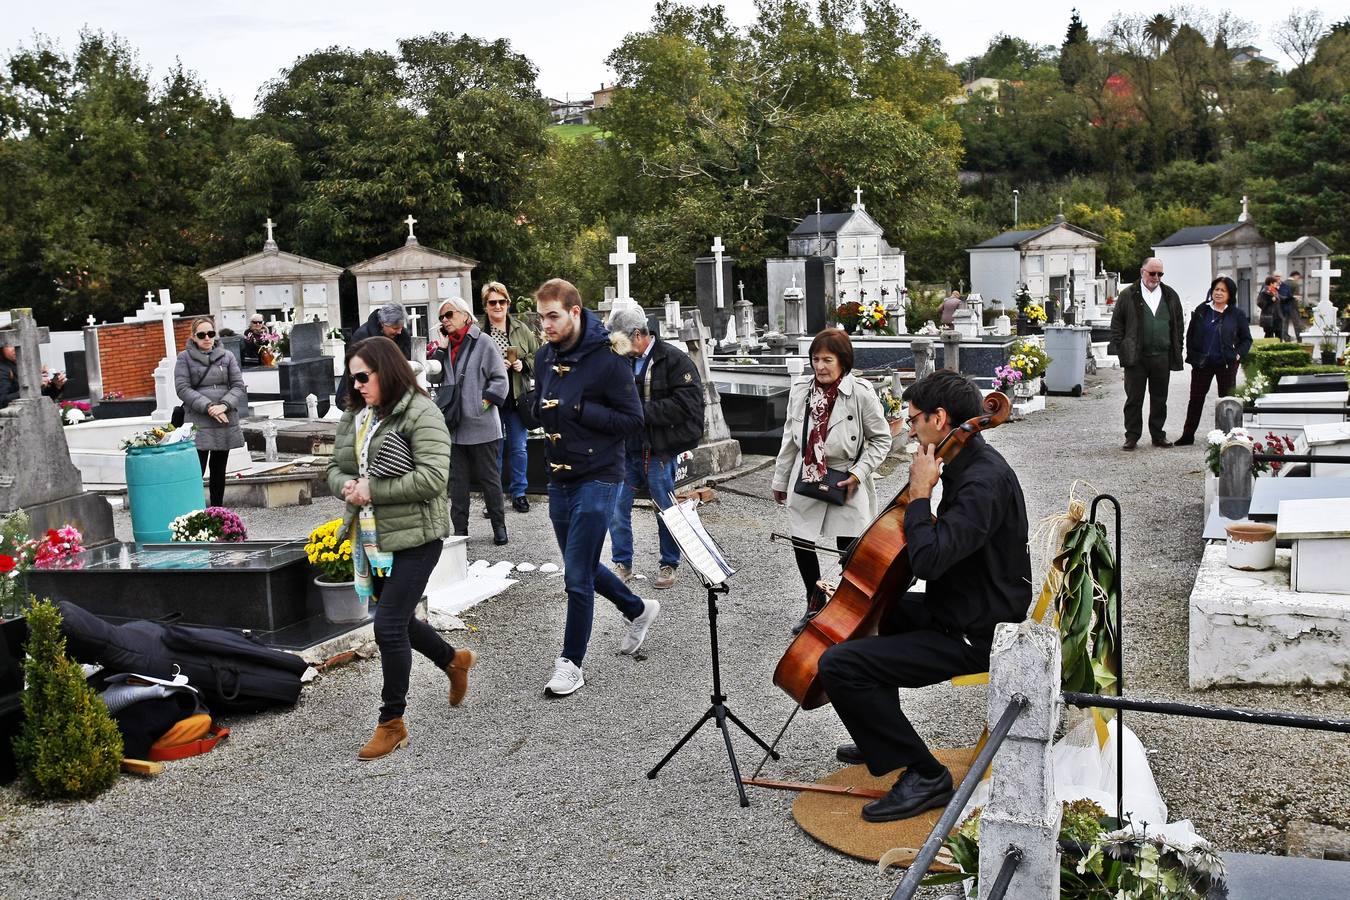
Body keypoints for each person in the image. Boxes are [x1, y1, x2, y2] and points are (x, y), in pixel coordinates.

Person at [817, 370, 1031, 823]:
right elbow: (939, 554)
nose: (909, 429)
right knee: (876, 612)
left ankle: (925, 775)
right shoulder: (963, 464)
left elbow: (931, 561)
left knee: (839, 664)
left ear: (940, 417)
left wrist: (918, 496)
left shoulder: (980, 482)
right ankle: (882, 732)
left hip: (978, 632)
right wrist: (866, 582)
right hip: (962, 606)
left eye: (914, 419)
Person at [326, 336, 476, 760]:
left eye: (362, 376)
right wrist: (350, 488)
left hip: (416, 537)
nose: (355, 386)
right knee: (397, 619)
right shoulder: (357, 415)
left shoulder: (420, 411)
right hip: (371, 539)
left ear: (386, 372)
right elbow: (334, 470)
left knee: (387, 625)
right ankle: (453, 660)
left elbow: (433, 479)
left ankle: (392, 723)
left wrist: (374, 490)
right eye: (351, 377)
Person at [530, 278, 658, 697]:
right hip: (559, 475)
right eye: (540, 316)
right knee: (579, 562)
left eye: (552, 316)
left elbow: (633, 420)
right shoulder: (544, 357)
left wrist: (582, 410)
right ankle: (637, 609)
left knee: (575, 576)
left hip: (600, 474)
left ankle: (571, 663)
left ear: (574, 311)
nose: (545, 324)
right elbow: (542, 403)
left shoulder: (609, 359)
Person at [772, 329, 891, 634]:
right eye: (816, 359)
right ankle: (814, 602)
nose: (820, 366)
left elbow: (881, 439)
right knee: (801, 538)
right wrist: (781, 479)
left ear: (843, 361)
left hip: (846, 475)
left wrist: (858, 473)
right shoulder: (801, 390)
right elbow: (790, 437)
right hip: (808, 470)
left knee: (848, 546)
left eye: (828, 359)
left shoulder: (860, 393)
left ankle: (849, 607)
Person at [605, 305, 704, 591]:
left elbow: (688, 405)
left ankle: (669, 562)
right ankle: (622, 562)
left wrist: (640, 412)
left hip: (659, 449)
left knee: (665, 509)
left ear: (637, 335)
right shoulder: (620, 360)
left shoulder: (675, 360)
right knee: (616, 509)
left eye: (619, 341)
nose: (615, 347)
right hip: (626, 448)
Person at [430, 297, 510, 546]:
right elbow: (437, 378)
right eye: (442, 317)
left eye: (449, 314)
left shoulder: (483, 342)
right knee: (458, 483)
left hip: (482, 425)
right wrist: (441, 349)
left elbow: (500, 379)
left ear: (465, 315)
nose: (445, 320)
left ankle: (499, 527)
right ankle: (460, 531)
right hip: (454, 425)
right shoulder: (445, 347)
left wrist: (483, 402)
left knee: (490, 480)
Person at [1108, 257, 1184, 450]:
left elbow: (1178, 325)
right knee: (1134, 399)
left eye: (1160, 274)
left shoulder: (1170, 295)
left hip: (1162, 355)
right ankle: (1132, 436)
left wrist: (1177, 347)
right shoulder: (1128, 295)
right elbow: (1117, 325)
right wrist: (1123, 348)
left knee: (1160, 398)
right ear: (1142, 272)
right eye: (1152, 273)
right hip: (1136, 357)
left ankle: (1158, 435)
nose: (1156, 277)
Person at [480, 282, 540, 513]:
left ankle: (519, 493)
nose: (497, 306)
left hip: (517, 398)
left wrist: (522, 364)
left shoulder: (521, 329)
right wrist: (494, 368)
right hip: (491, 400)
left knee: (518, 448)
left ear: (508, 303)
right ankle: (493, 499)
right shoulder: (479, 333)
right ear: (485, 306)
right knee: (493, 451)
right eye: (492, 302)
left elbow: (538, 357)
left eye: (501, 301)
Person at [174, 318, 247, 508]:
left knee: (219, 471)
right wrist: (208, 407)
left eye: (210, 334)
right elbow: (182, 388)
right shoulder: (184, 358)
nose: (207, 338)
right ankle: (193, 512)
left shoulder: (227, 356)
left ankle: (217, 512)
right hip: (198, 419)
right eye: (201, 335)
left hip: (224, 418)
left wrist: (224, 405)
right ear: (193, 337)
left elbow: (238, 386)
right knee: (195, 470)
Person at [1176, 276, 1253, 446]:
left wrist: (1238, 354)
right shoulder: (1202, 309)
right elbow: (1191, 334)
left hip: (1226, 363)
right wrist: (1193, 354)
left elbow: (1247, 339)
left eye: (1223, 290)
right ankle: (1188, 434)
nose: (1218, 293)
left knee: (1227, 401)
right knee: (1195, 399)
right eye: (1216, 289)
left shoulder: (1236, 314)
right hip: (1202, 363)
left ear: (1230, 294)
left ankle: (1228, 436)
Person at [337, 304, 411, 409]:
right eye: (395, 328)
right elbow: (356, 371)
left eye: (401, 328)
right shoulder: (362, 336)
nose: (399, 331)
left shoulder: (402, 336)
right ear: (382, 324)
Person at [1256, 275, 1283, 340]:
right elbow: (1260, 303)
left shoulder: (1275, 291)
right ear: (1271, 283)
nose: (1277, 283)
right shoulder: (1264, 292)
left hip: (1277, 317)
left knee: (1279, 335)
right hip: (1268, 318)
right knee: (1269, 337)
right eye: (1276, 282)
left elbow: (1281, 299)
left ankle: (1279, 349)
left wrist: (1291, 298)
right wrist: (1270, 300)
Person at [1277, 272, 1302, 342]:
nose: (1298, 279)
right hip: (1293, 306)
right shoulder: (1295, 284)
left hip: (1283, 306)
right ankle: (1299, 339)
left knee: (1285, 323)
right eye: (1298, 277)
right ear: (1295, 276)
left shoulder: (1283, 283)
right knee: (1297, 323)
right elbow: (1297, 297)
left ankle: (1285, 338)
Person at [0, 345, 20, 409]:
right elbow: (2, 401)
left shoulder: (19, 364)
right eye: (9, 345)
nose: (14, 348)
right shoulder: (3, 369)